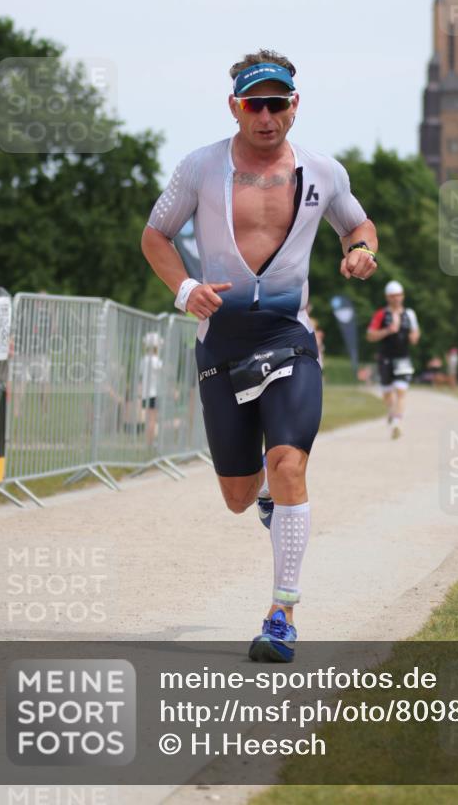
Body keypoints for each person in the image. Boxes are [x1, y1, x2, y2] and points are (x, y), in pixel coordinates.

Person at [141, 49, 378, 662]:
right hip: (221, 342)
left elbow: (358, 225)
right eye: (256, 103)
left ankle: (281, 615)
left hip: (288, 339)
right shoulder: (200, 168)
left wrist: (360, 251)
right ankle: (267, 499)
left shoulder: (324, 173)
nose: (267, 115)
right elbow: (155, 235)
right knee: (240, 496)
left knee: (290, 463)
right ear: (235, 107)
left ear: (295, 107)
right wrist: (184, 287)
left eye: (278, 103)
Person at [366, 281, 420, 439]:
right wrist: (388, 331)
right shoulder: (381, 314)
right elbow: (370, 335)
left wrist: (413, 337)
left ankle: (396, 422)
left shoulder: (410, 314)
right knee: (387, 393)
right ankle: (392, 412)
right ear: (387, 297)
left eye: (399, 295)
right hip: (385, 358)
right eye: (393, 296)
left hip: (403, 358)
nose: (397, 299)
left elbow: (416, 333)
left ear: (403, 296)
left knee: (401, 391)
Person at [139, 332, 163, 449]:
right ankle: (150, 442)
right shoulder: (157, 361)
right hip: (154, 393)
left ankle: (147, 442)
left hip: (145, 393)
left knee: (148, 419)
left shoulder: (143, 360)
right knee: (153, 420)